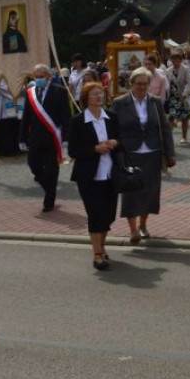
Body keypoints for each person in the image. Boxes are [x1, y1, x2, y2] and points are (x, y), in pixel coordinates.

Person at [111, 67, 176, 244]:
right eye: (138, 84)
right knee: (131, 192)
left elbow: (164, 129)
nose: (142, 87)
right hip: (130, 154)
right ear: (131, 84)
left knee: (149, 192)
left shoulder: (155, 102)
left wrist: (170, 153)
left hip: (153, 153)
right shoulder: (120, 102)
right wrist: (116, 153)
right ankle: (132, 230)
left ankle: (143, 224)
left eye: (145, 84)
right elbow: (113, 129)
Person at [68, 81, 120, 271]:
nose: (99, 97)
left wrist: (115, 142)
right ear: (86, 98)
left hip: (111, 174)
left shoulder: (111, 118)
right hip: (88, 176)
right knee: (95, 214)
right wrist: (94, 149)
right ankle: (97, 254)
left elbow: (121, 141)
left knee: (109, 215)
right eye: (94, 94)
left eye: (101, 93)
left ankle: (102, 245)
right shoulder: (78, 121)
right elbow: (73, 151)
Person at [19, 63, 71, 213]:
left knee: (51, 169)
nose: (38, 79)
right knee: (33, 165)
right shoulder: (31, 93)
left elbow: (66, 116)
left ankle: (49, 201)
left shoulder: (60, 92)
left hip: (52, 137)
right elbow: (26, 117)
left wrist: (66, 137)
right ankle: (50, 188)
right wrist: (21, 138)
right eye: (36, 77)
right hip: (35, 137)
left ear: (49, 77)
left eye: (41, 77)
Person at [165, 49, 190, 144]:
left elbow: (189, 82)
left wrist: (184, 94)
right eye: (173, 60)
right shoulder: (168, 70)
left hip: (183, 97)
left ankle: (184, 137)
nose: (175, 62)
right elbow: (166, 83)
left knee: (184, 117)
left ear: (180, 60)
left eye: (176, 60)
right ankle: (168, 138)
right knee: (171, 117)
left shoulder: (186, 69)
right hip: (173, 97)